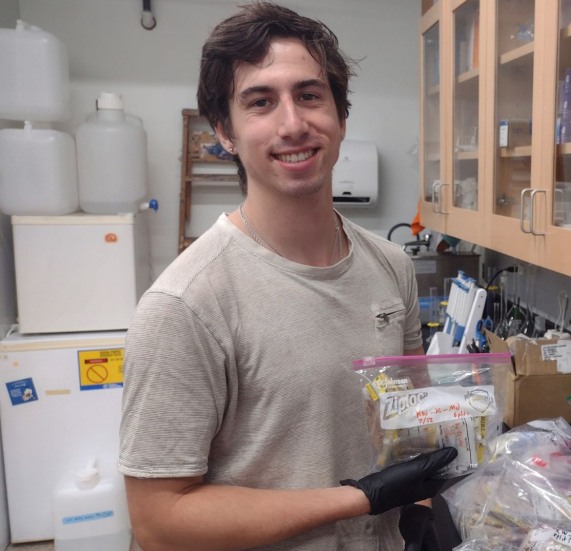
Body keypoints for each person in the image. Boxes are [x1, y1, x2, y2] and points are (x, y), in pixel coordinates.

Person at [117, 3, 456, 550]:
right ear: (225, 131)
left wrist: (418, 509)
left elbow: (407, 430)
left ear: (341, 116)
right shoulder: (186, 303)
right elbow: (159, 522)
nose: (293, 123)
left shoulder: (391, 267)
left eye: (309, 95)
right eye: (261, 102)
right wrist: (363, 496)